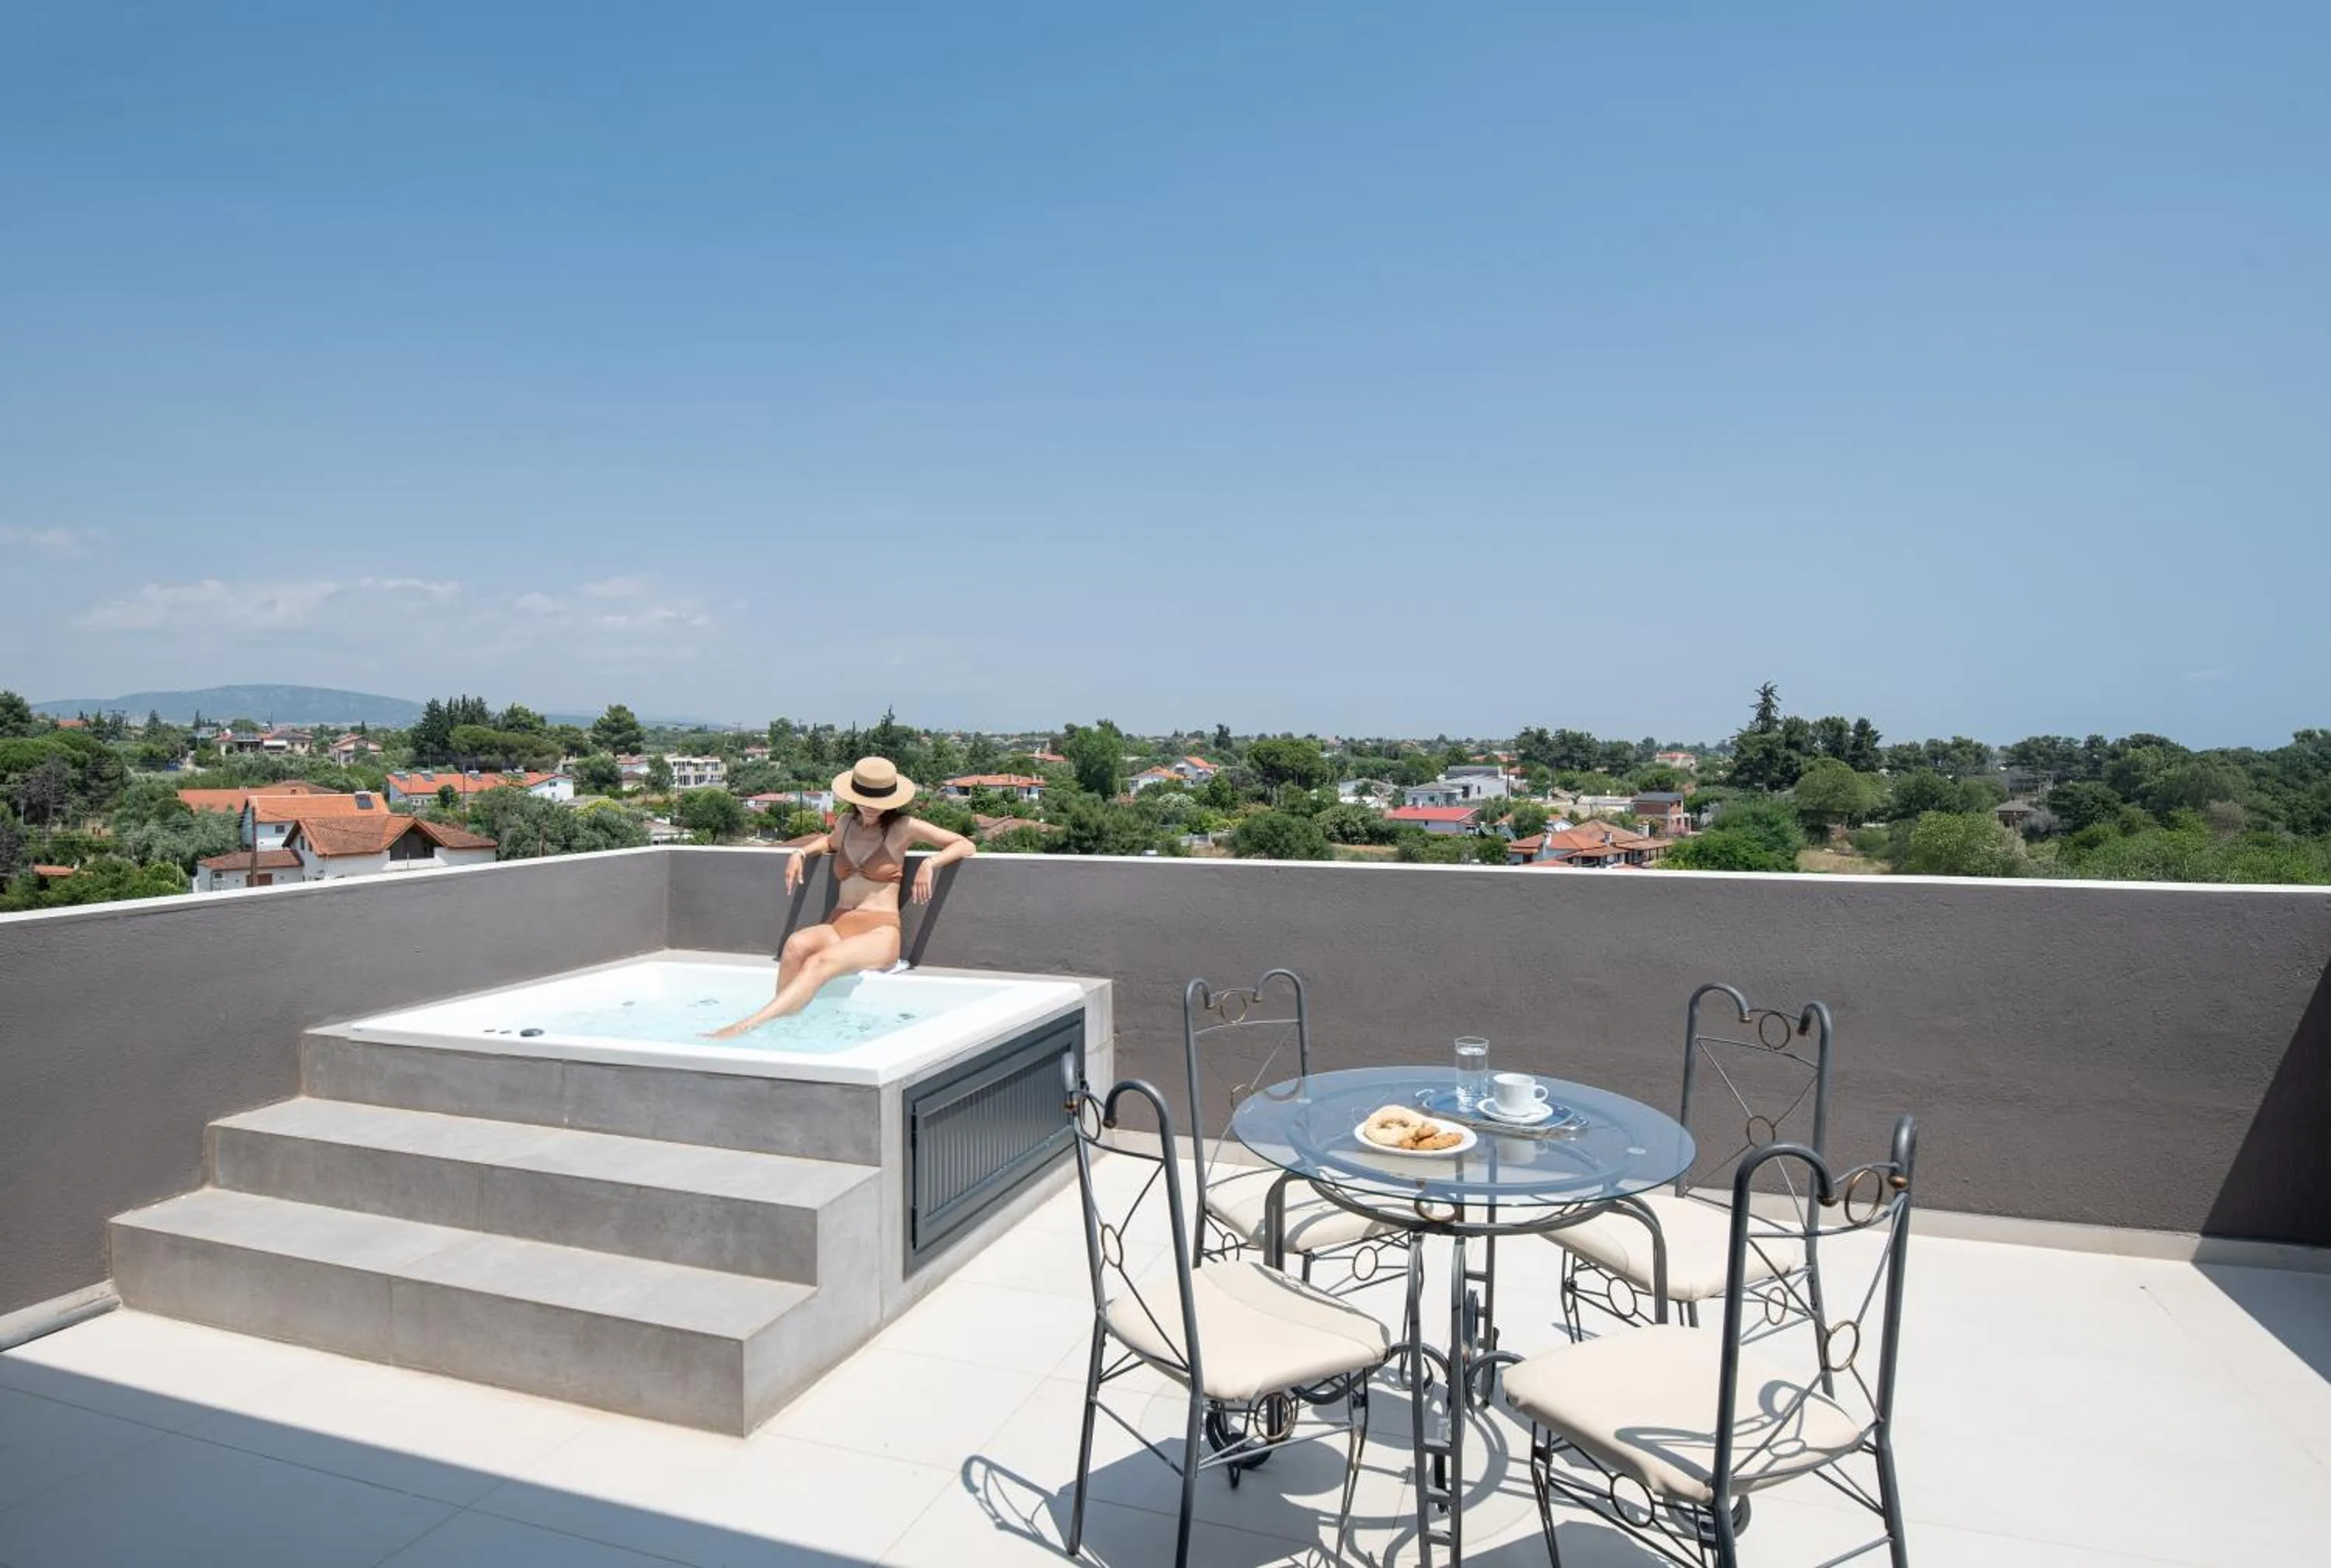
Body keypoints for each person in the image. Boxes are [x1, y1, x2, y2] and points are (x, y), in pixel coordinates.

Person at [706, 757, 974, 1038]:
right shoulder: (846, 823)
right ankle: (782, 1028)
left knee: (819, 963)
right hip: (838, 925)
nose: (870, 807)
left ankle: (747, 1027)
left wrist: (931, 863)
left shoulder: (903, 827)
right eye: (863, 800)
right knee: (795, 945)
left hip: (880, 933)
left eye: (878, 802)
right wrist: (800, 853)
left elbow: (964, 844)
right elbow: (829, 842)